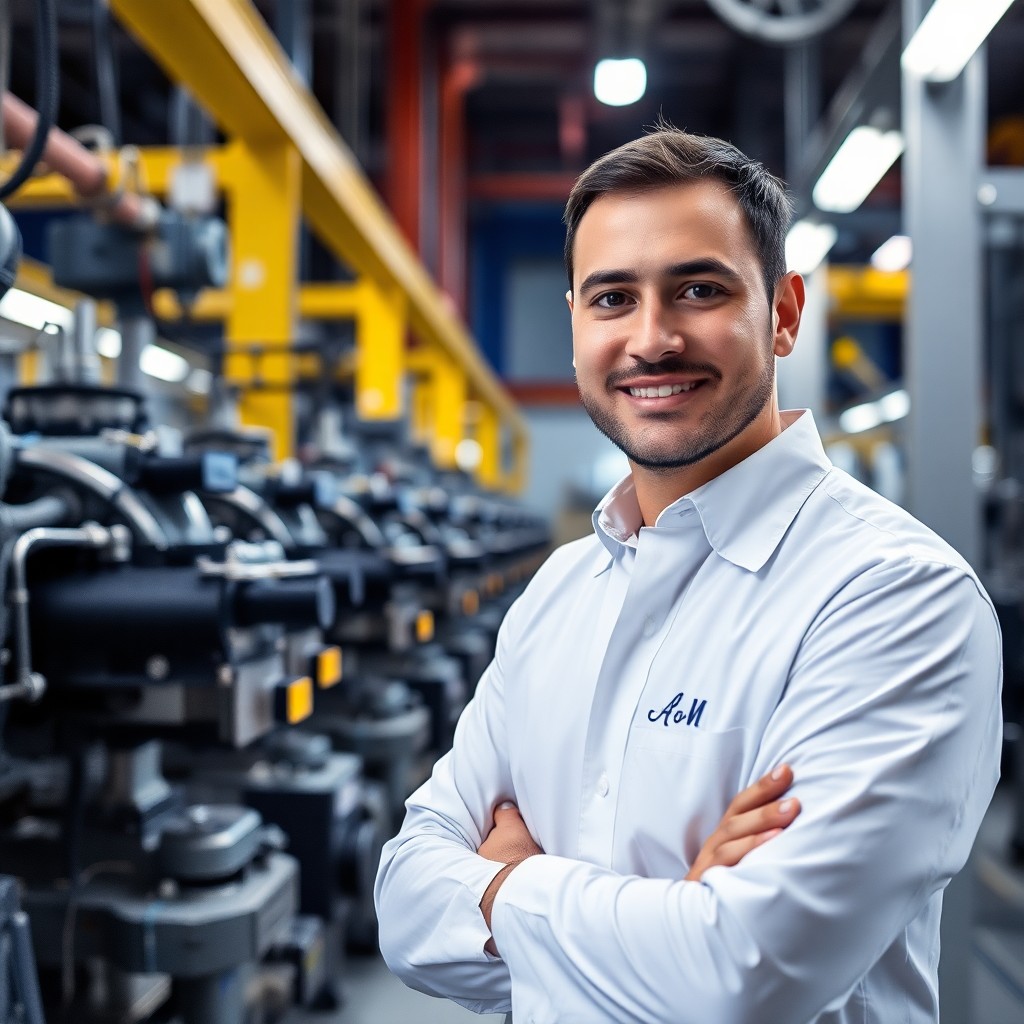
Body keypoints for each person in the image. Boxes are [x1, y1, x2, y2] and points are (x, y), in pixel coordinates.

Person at [374, 126, 1002, 1023]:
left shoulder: (895, 597)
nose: (652, 338)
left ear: (784, 311)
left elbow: (744, 973)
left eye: (698, 289)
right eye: (612, 299)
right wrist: (676, 906)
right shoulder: (560, 592)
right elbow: (403, 906)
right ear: (576, 321)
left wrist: (509, 884)